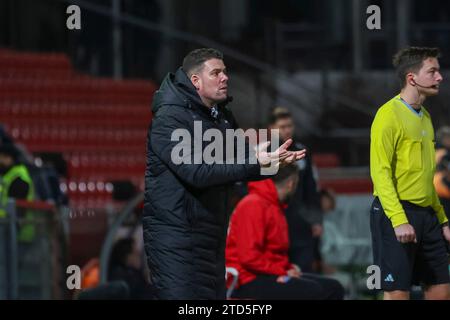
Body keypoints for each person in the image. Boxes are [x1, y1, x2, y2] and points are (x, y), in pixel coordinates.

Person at [143, 48, 305, 299]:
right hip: (176, 239)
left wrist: (274, 163)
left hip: (210, 237)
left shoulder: (220, 116)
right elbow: (197, 172)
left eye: (225, 72)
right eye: (216, 73)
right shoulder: (169, 117)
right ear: (195, 80)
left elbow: (241, 160)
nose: (225, 78)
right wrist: (255, 162)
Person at [370, 47, 450, 300]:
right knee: (397, 294)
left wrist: (443, 220)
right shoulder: (388, 115)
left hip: (428, 216)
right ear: (411, 78)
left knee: (441, 288)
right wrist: (398, 219)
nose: (440, 77)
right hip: (396, 213)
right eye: (433, 71)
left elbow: (425, 178)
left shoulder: (425, 116)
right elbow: (379, 173)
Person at [225, 164, 344, 300]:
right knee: (313, 291)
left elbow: (273, 253)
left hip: (268, 274)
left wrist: (288, 268)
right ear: (291, 183)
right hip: (247, 280)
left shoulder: (275, 206)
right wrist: (283, 271)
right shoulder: (253, 204)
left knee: (333, 287)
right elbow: (249, 257)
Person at [268, 107, 323, 273]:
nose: (287, 130)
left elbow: (311, 188)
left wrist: (316, 219)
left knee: (304, 270)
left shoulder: (302, 151)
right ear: (271, 128)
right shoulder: (263, 152)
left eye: (290, 126)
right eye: (282, 126)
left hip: (300, 220)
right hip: (275, 220)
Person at [0, 144, 36, 242]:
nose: (1, 160)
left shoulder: (19, 178)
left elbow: (17, 211)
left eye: (5, 157)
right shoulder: (5, 175)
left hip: (18, 232)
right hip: (5, 229)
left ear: (13, 159)